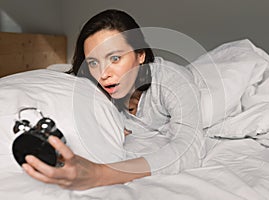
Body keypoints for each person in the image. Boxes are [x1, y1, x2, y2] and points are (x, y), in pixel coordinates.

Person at [22, 9, 205, 190]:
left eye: (115, 58)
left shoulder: (171, 80)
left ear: (140, 55)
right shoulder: (91, 88)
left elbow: (189, 148)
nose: (103, 74)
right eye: (93, 62)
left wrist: (100, 174)